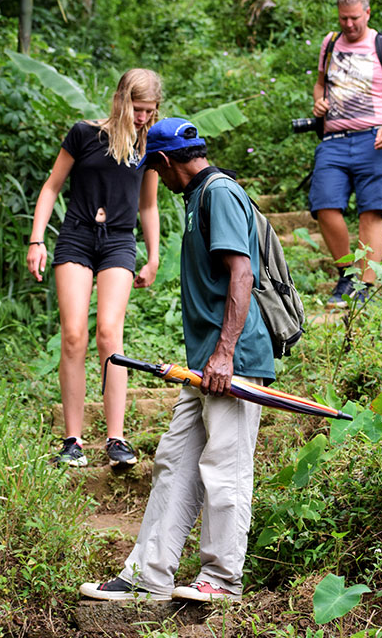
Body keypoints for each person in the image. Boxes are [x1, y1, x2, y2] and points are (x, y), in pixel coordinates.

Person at [79, 117, 275, 603]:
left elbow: (242, 274)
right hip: (204, 365)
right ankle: (148, 574)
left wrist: (226, 354)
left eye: (156, 170)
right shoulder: (198, 197)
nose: (157, 181)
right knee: (174, 462)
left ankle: (223, 580)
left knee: (224, 468)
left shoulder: (219, 194)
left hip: (233, 362)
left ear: (165, 163)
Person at [26, 69, 161, 468]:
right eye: (138, 109)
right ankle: (73, 440)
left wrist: (153, 257)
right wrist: (36, 240)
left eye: (150, 111)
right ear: (121, 101)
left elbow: (148, 205)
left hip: (119, 240)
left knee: (108, 333)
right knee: (72, 336)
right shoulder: (84, 134)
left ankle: (116, 439)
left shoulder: (147, 146)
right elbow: (51, 186)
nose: (142, 118)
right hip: (77, 236)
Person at [309, 0, 382, 307]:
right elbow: (319, 83)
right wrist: (318, 101)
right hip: (334, 140)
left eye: (355, 18)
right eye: (343, 18)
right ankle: (348, 276)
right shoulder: (330, 44)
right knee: (324, 206)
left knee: (372, 210)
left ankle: (365, 285)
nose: (349, 24)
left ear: (367, 14)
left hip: (375, 138)